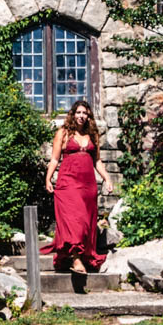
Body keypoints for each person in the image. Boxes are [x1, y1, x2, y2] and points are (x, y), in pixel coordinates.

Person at [42, 99, 112, 273]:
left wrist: (107, 179)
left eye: (85, 113)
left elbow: (97, 161)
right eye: (78, 113)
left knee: (86, 222)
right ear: (73, 114)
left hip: (88, 186)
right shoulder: (63, 133)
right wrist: (48, 178)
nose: (81, 116)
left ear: (88, 116)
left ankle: (79, 256)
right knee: (76, 220)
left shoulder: (93, 135)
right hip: (68, 183)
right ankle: (76, 259)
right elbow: (54, 159)